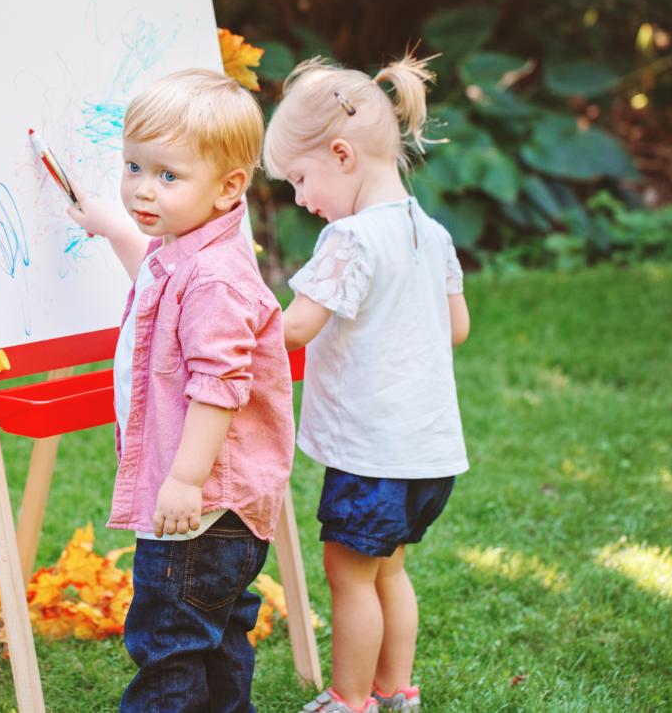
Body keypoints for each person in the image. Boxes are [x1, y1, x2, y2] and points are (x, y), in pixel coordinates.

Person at [66, 68, 295, 713]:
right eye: (134, 166)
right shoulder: (190, 253)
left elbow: (218, 387)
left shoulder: (215, 282)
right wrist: (114, 228)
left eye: (168, 176)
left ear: (228, 189)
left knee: (167, 644)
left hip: (202, 509)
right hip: (222, 511)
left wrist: (184, 480)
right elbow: (157, 287)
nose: (143, 188)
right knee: (214, 639)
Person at [263, 56, 471, 713]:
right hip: (427, 454)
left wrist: (234, 322)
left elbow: (296, 329)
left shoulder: (350, 240)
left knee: (348, 578)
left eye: (299, 178)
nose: (299, 197)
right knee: (390, 572)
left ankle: (349, 700)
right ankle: (396, 690)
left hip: (371, 453)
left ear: (342, 154)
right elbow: (456, 327)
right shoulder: (429, 232)